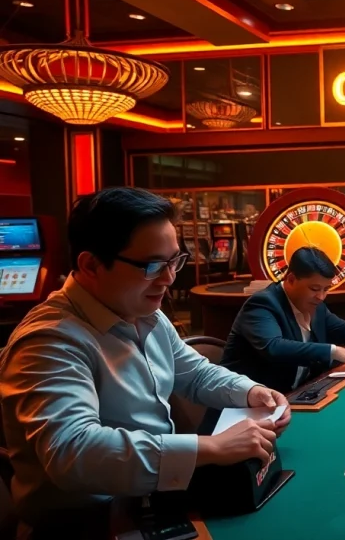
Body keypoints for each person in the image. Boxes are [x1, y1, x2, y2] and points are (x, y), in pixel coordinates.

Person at [0, 187, 291, 536]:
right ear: (91, 264)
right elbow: (73, 452)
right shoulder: (49, 340)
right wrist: (210, 447)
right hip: (82, 525)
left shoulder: (145, 311)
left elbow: (194, 374)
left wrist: (252, 391)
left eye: (174, 261)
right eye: (153, 265)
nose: (169, 279)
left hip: (153, 501)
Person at [222, 246, 345, 393]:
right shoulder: (263, 303)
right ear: (291, 279)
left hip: (295, 396)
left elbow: (342, 328)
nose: (321, 296)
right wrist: (333, 351)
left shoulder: (315, 304)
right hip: (245, 410)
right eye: (315, 288)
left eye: (326, 289)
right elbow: (273, 347)